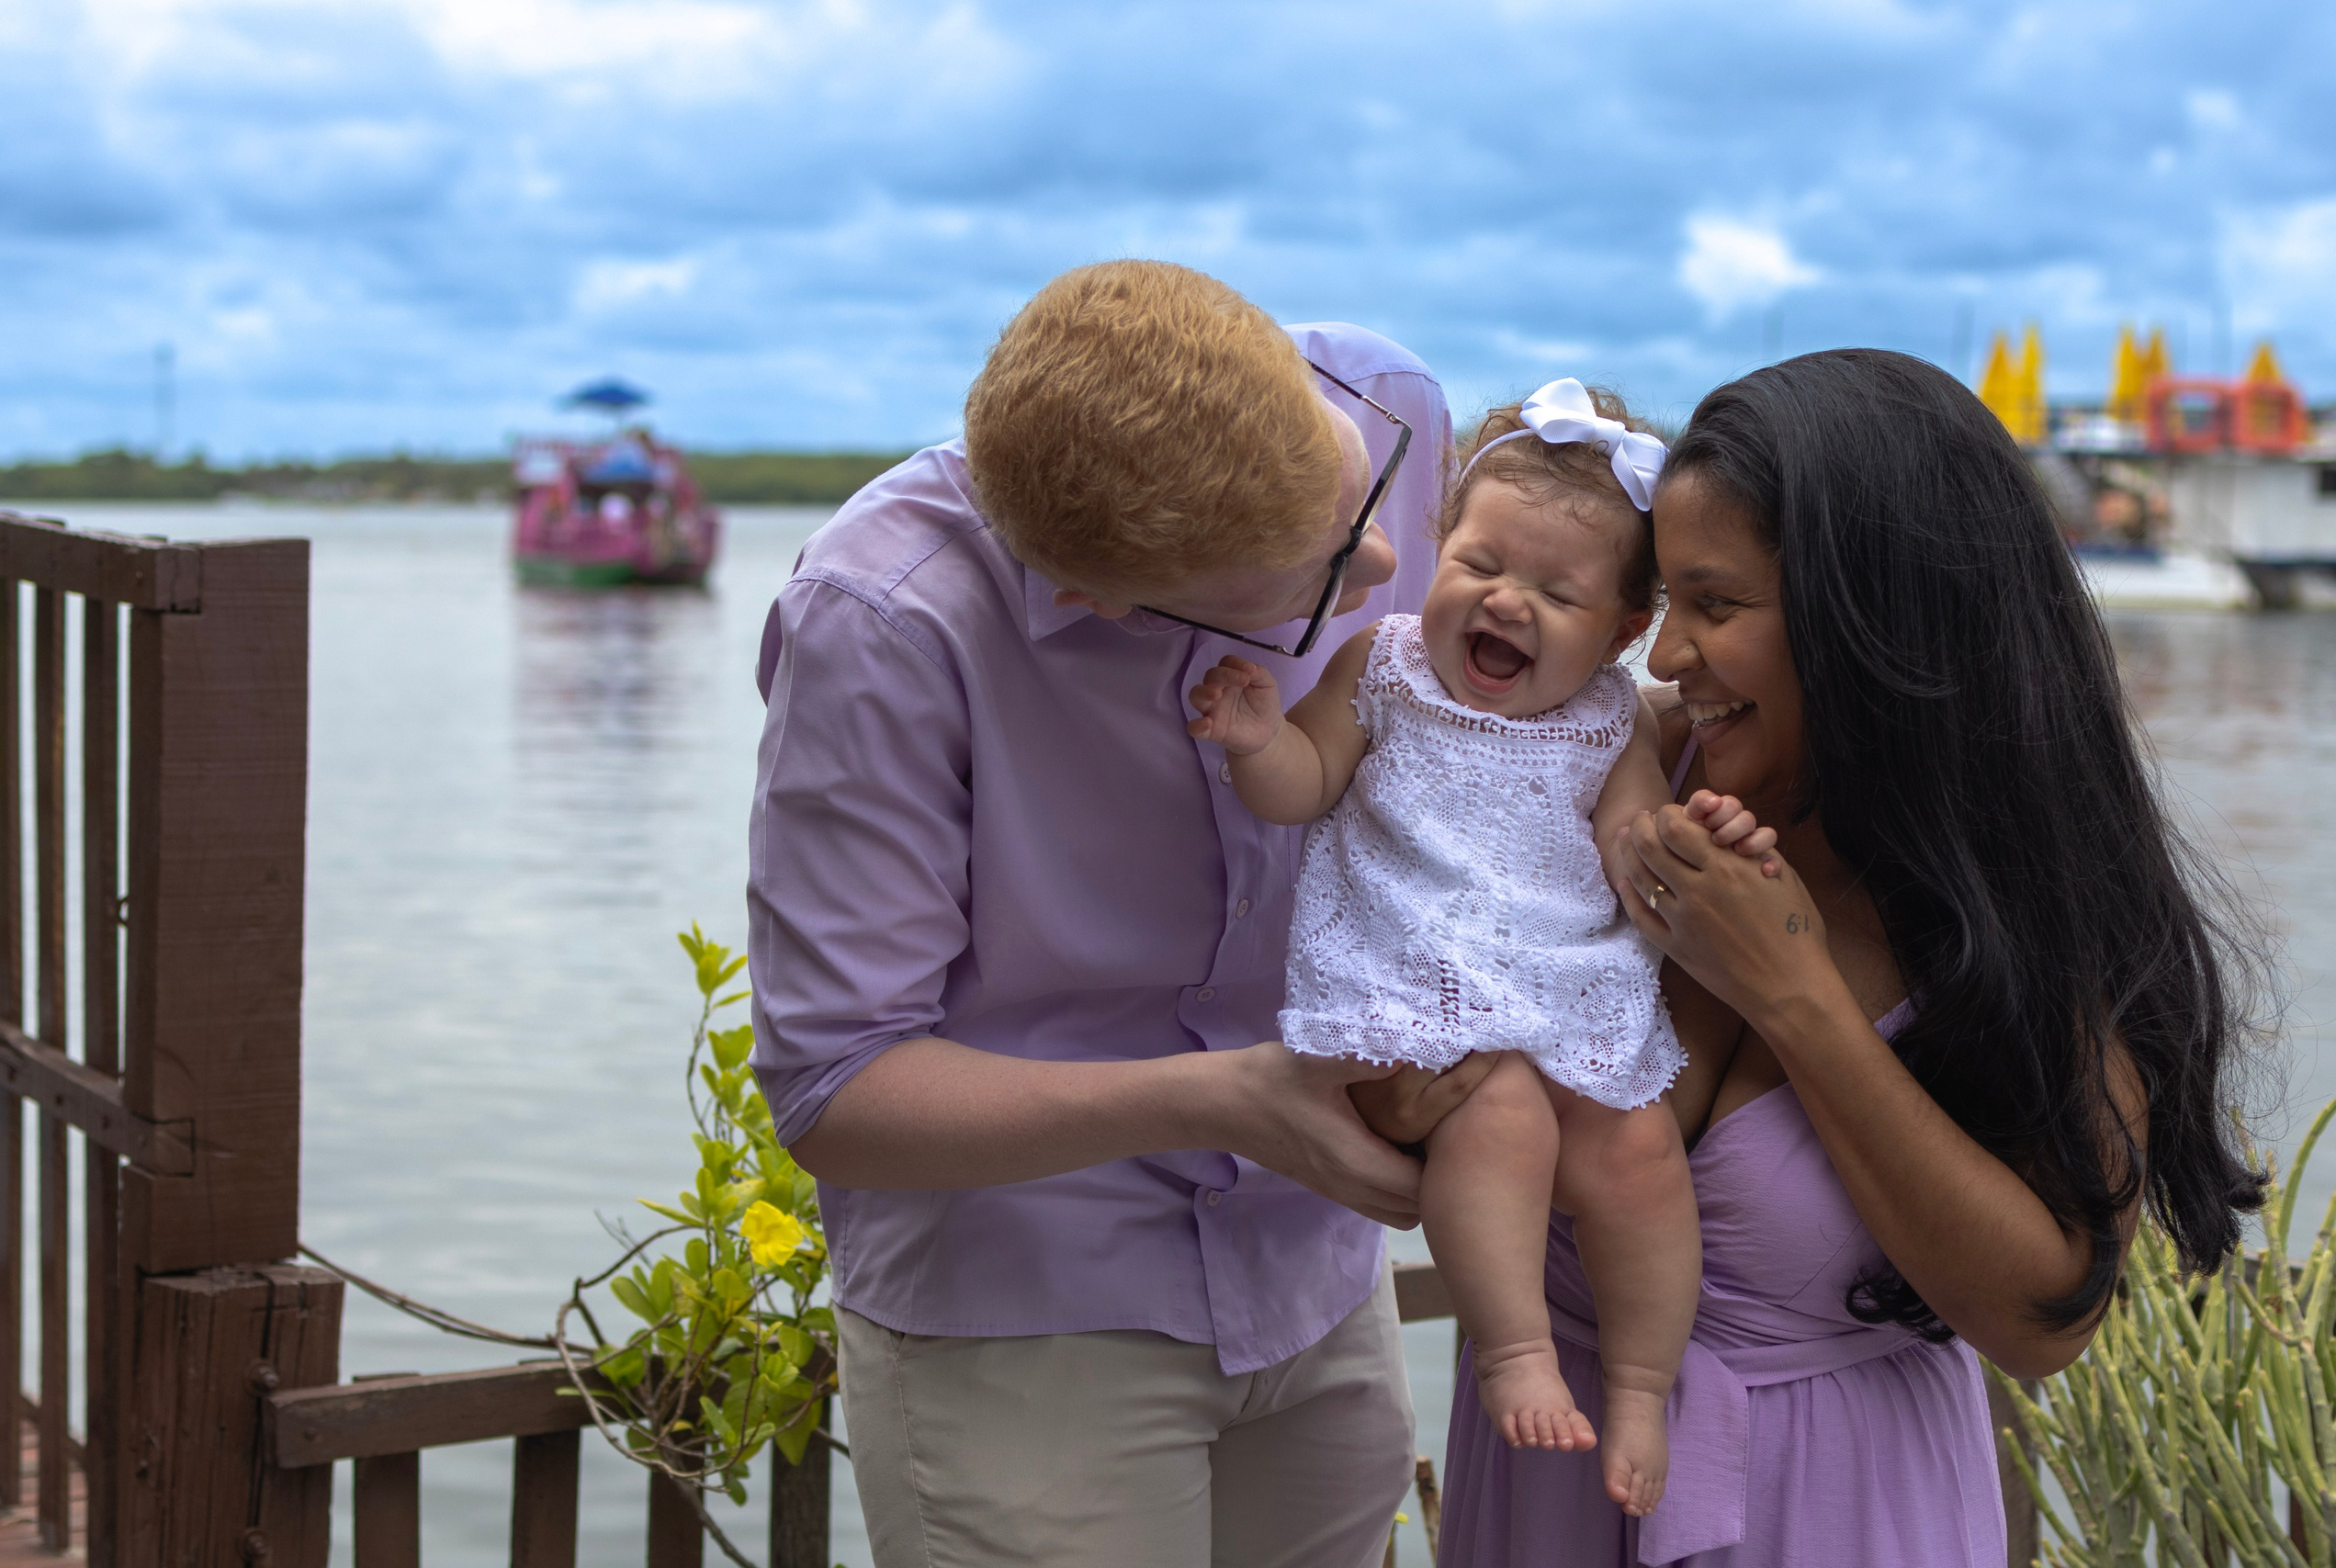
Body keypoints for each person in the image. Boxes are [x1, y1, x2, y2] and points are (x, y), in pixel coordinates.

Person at [1416, 348, 2268, 1565]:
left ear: (1874, 617)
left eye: (1716, 608)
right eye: (1666, 606)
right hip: (1543, 1498)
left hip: (1837, 1513)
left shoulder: (2015, 902)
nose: (1663, 657)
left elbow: (2042, 1318)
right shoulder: (1597, 779)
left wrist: (1794, 991)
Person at [747, 259, 1471, 1567]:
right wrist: (1219, 1099)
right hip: (1028, 1311)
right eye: (1315, 579)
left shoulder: (1385, 396)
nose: (1381, 557)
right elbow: (838, 1087)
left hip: (1318, 1263)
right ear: (1106, 601)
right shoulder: (882, 619)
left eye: (1360, 483)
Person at [1187, 381, 1776, 1518]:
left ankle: (1645, 1383)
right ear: (1435, 546)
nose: (1506, 601)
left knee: (1639, 1155)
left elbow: (1630, 842)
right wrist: (1256, 743)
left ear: (1619, 631)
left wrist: (1682, 846)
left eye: (1556, 591)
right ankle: (1511, 1349)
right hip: (1417, 984)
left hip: (1562, 989)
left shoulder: (1612, 718)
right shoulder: (1387, 667)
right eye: (1481, 564)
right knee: (1497, 1116)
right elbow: (1305, 788)